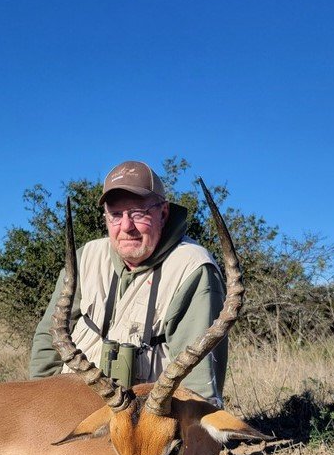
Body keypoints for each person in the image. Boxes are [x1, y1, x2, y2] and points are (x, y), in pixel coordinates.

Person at [29, 160, 227, 404]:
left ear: (163, 213)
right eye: (115, 215)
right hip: (71, 404)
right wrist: (38, 401)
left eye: (138, 213)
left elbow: (199, 378)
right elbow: (50, 337)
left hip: (146, 415)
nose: (126, 227)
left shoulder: (192, 267)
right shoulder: (86, 257)